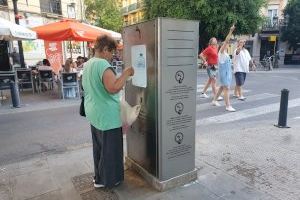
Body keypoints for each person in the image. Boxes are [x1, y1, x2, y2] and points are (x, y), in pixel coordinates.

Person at [82, 35, 134, 188]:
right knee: (110, 150)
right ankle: (108, 180)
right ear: (105, 49)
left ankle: (99, 177)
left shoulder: (88, 64)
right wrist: (126, 73)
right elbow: (113, 88)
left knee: (99, 147)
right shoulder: (102, 64)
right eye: (112, 52)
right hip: (107, 115)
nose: (113, 56)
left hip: (94, 112)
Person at [212, 25, 236, 112]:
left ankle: (214, 100)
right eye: (226, 44)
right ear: (222, 46)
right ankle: (228, 105)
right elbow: (226, 40)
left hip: (226, 73)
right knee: (226, 88)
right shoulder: (221, 52)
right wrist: (231, 31)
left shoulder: (225, 53)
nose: (228, 45)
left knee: (222, 87)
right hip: (224, 74)